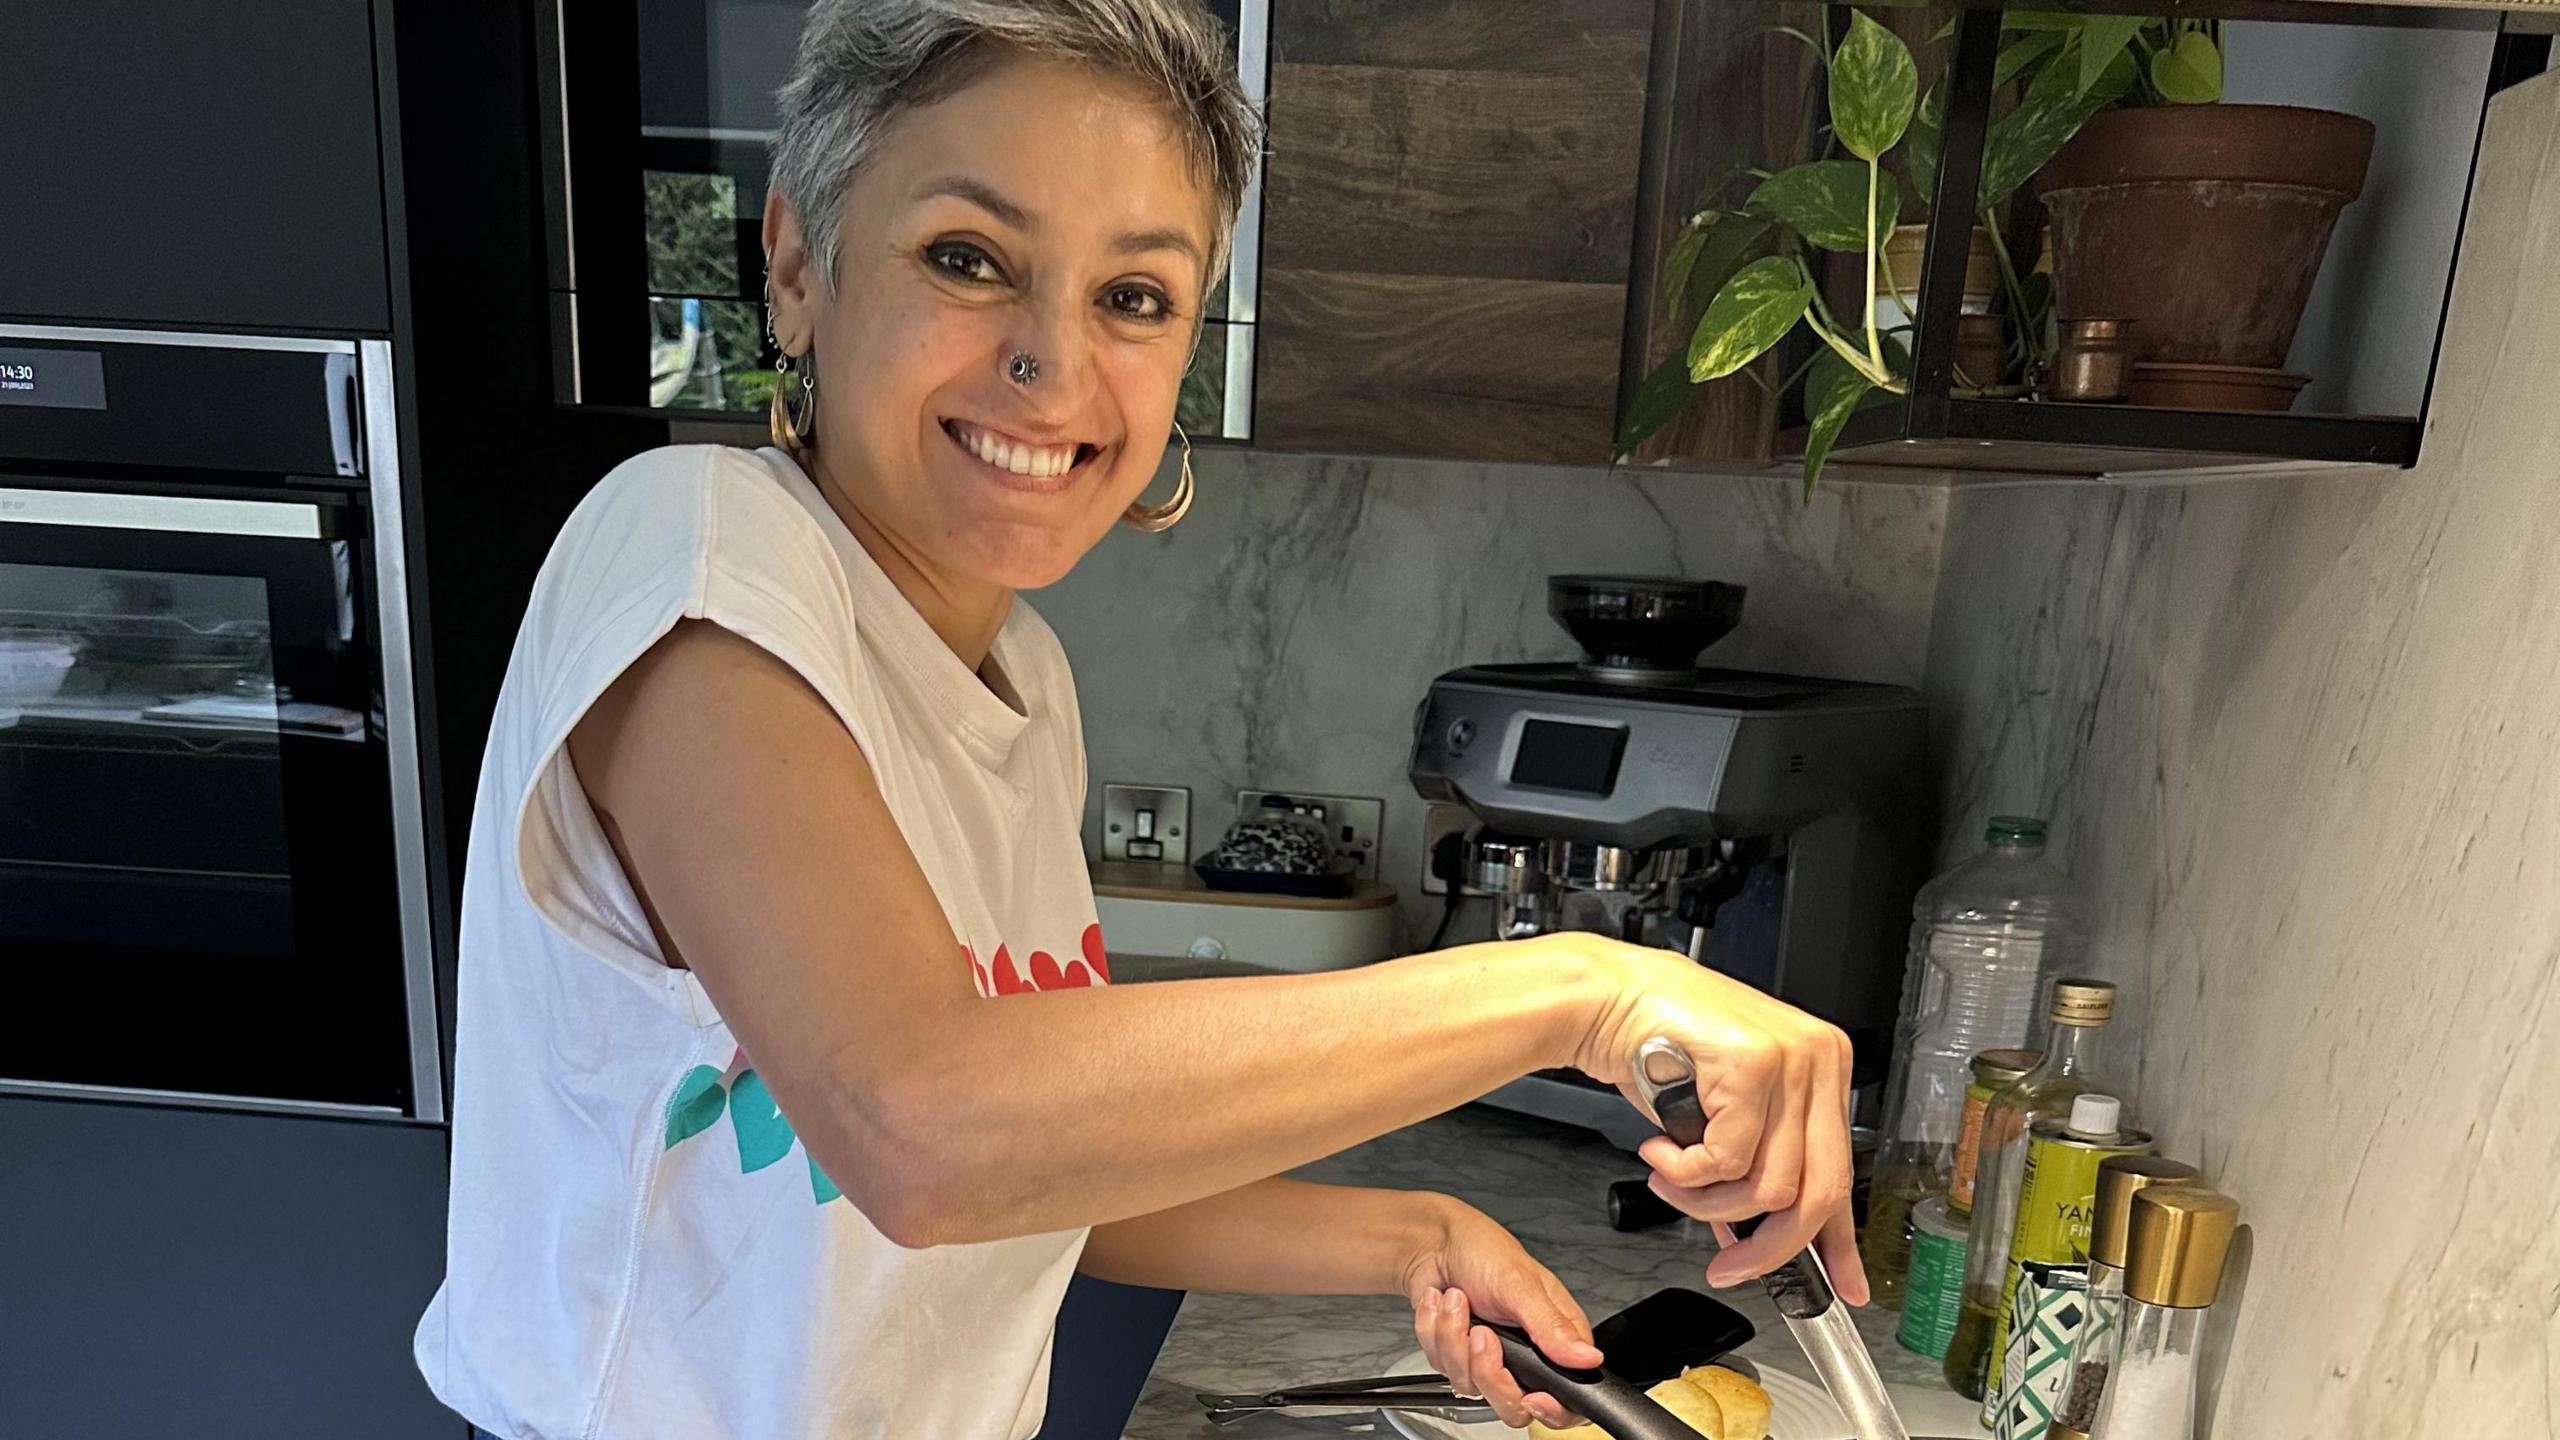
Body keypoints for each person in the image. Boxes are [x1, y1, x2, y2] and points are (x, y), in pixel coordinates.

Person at [413, 1, 1865, 1436]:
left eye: (1134, 295)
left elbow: (1051, 1174)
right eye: (969, 259)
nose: (1052, 361)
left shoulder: (1025, 682)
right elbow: (927, 1128)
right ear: (799, 266)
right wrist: (1578, 992)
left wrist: (1415, 1236)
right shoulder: (692, 549)